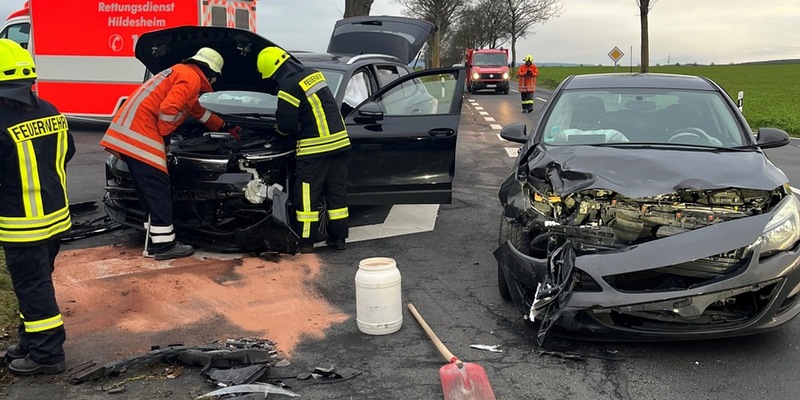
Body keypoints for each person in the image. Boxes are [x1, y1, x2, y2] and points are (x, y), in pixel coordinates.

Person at [100, 47, 237, 260]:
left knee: (148, 191)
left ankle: (156, 240)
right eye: (215, 78)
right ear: (210, 72)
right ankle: (165, 246)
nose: (214, 82)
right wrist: (166, 133)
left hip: (131, 133)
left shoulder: (180, 72)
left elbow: (197, 112)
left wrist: (224, 126)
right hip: (142, 135)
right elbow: (169, 108)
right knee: (158, 189)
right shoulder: (191, 78)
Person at [0, 39, 73, 375]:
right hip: (56, 217)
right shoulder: (51, 110)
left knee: (32, 285)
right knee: (38, 281)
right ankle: (29, 341)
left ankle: (47, 354)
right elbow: (68, 152)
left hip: (22, 223)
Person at [256, 46, 351, 254]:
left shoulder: (288, 87)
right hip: (340, 143)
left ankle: (306, 240)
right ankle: (339, 238)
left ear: (274, 71)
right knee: (336, 193)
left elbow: (287, 125)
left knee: (307, 195)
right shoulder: (313, 75)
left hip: (315, 149)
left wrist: (278, 130)